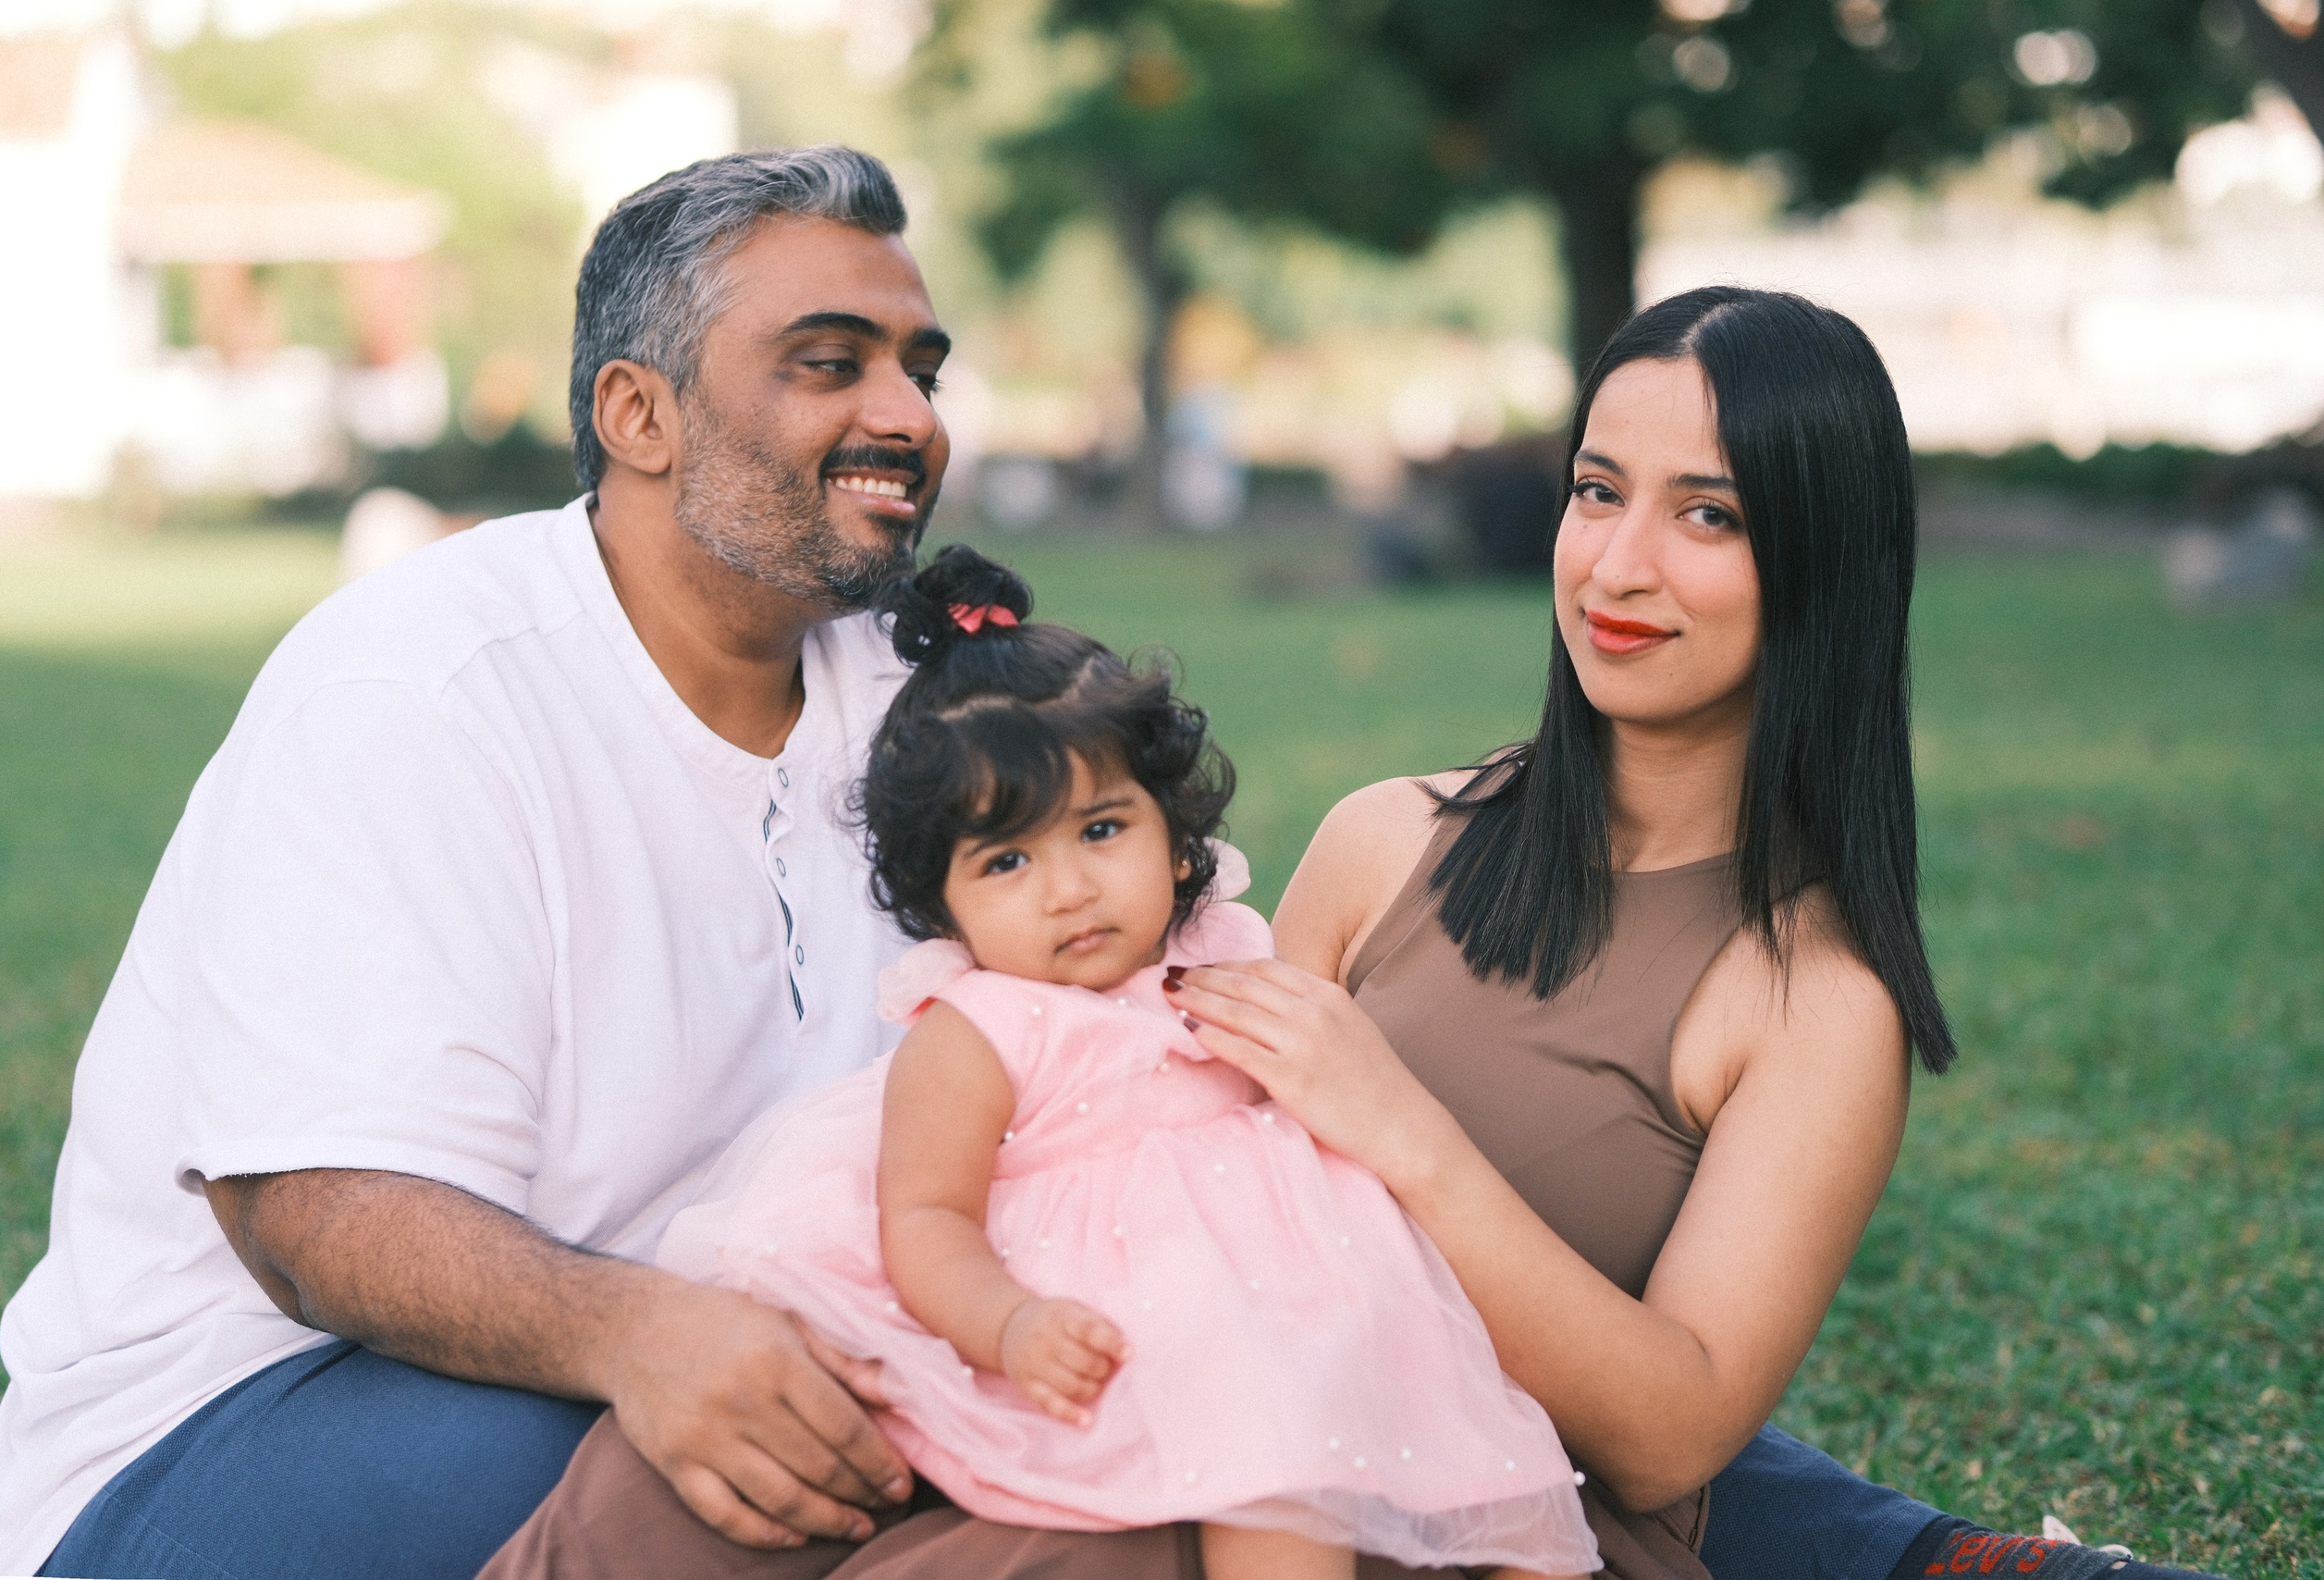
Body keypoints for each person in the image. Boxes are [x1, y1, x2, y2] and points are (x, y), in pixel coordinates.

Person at [486, 287, 2223, 1580]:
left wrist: (1405, 1132)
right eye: (1597, 489)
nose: (1619, 564)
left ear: (1821, 563)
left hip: (1445, 1506)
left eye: (1708, 514)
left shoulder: (1808, 995)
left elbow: (1673, 1435)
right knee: (707, 1478)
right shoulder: (1392, 836)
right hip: (1142, 1388)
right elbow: (1131, 1114)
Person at [0, 145, 961, 1579]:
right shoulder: (420, 684)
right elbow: (317, 1220)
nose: (909, 416)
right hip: (251, 1431)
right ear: (638, 413)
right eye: (831, 363)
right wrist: (644, 1334)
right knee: (716, 1490)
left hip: (720, 1366)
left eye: (922, 370)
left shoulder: (932, 700)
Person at [649, 544, 1600, 1579]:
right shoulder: (976, 1029)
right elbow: (924, 1216)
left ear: (1174, 834)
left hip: (1292, 1293)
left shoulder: (1221, 949)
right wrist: (1008, 1324)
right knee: (1273, 1466)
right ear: (940, 903)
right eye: (1008, 860)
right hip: (1117, 1318)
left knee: (1473, 1467)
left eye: (1101, 829)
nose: (1068, 889)